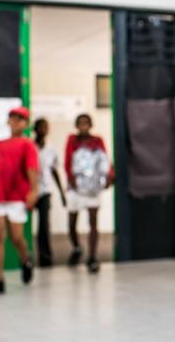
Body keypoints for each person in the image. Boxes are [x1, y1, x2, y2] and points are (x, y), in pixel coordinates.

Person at [0, 106, 39, 296]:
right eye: (13, 118)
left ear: (26, 123)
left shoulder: (27, 145)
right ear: (8, 121)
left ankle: (25, 259)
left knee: (16, 237)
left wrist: (34, 190)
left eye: (20, 119)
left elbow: (31, 169)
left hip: (16, 196)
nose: (16, 122)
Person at [64, 113, 114, 273]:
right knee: (72, 221)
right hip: (76, 187)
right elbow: (67, 162)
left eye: (86, 122)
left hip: (92, 188)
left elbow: (105, 160)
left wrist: (108, 177)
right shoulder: (72, 140)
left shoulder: (97, 141)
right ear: (76, 125)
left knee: (93, 221)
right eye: (80, 123)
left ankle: (92, 256)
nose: (83, 125)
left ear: (90, 125)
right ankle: (77, 247)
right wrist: (72, 180)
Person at [33, 117, 66, 267]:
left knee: (44, 226)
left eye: (46, 127)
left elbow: (54, 171)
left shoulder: (51, 148)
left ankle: (45, 257)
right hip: (28, 191)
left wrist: (62, 193)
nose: (43, 130)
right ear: (35, 129)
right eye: (41, 126)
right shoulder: (28, 145)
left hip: (45, 190)